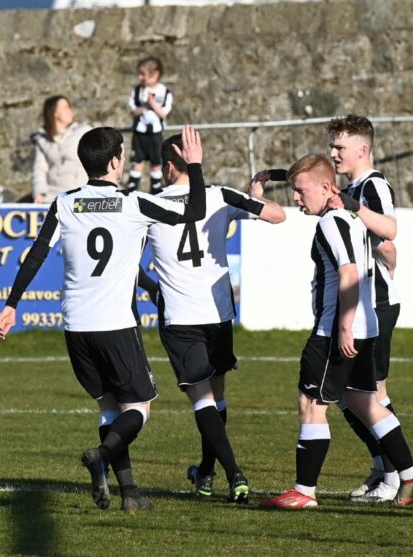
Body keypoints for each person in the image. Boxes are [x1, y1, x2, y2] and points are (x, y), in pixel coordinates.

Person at [0, 125, 208, 513]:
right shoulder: (134, 203)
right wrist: (194, 166)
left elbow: (37, 253)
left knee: (110, 409)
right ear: (116, 161)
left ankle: (130, 494)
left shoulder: (64, 203)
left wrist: (12, 304)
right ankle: (102, 455)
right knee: (139, 410)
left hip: (76, 327)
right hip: (115, 325)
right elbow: (194, 210)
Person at [259, 154, 413, 510]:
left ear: (325, 187)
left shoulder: (331, 223)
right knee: (364, 401)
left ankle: (304, 491)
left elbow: (349, 274)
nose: (296, 199)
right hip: (367, 326)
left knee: (311, 403)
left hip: (335, 331)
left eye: (301, 191)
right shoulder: (351, 217)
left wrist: (343, 328)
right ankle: (411, 475)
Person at [140, 137, 286, 503]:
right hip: (218, 313)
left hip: (179, 315)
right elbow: (277, 215)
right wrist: (255, 193)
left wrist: (152, 288)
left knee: (202, 399)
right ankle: (206, 473)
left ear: (168, 167)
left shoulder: (149, 206)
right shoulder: (221, 195)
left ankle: (234, 473)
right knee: (215, 398)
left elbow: (127, 266)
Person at [326, 114, 405, 503]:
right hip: (364, 304)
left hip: (376, 303)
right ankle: (381, 466)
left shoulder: (373, 185)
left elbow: (389, 230)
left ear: (362, 149)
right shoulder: (355, 187)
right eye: (333, 146)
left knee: (369, 394)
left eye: (340, 147)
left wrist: (355, 208)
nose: (334, 153)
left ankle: (396, 476)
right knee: (347, 393)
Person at [31, 95, 92, 203]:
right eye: (65, 107)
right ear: (54, 113)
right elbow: (39, 169)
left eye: (70, 107)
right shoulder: (42, 141)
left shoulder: (84, 132)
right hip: (54, 197)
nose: (70, 110)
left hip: (82, 197)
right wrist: (39, 192)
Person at [126, 56, 173, 193]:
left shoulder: (165, 92)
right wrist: (145, 106)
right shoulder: (137, 91)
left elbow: (164, 113)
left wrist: (153, 105)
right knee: (137, 162)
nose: (140, 77)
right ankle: (132, 188)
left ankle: (156, 189)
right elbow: (133, 111)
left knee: (156, 162)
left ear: (155, 74)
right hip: (140, 134)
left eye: (143, 74)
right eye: (139, 74)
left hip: (155, 134)